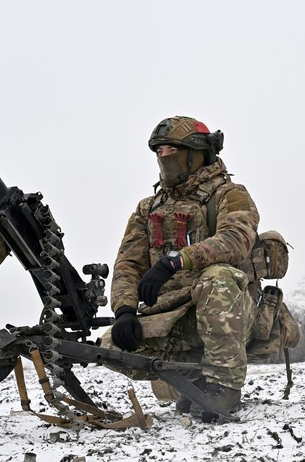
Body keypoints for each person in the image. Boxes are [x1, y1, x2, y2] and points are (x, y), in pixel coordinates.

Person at [101, 116, 260, 422]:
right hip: (173, 316)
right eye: (159, 151)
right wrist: (124, 310)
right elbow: (128, 265)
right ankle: (192, 381)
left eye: (172, 149)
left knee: (218, 278)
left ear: (196, 153)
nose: (164, 158)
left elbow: (236, 240)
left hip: (228, 311)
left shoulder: (229, 194)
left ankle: (225, 386)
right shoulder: (148, 208)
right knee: (110, 345)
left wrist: (175, 261)